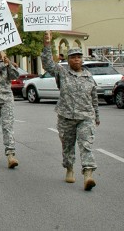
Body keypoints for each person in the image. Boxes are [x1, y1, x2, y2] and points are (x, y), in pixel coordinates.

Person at [42, 31, 99, 191]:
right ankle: (69, 168)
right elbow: (47, 64)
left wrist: (97, 116)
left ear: (82, 59)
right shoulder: (62, 72)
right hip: (66, 116)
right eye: (73, 57)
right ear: (68, 60)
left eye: (79, 57)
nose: (76, 60)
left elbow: (94, 97)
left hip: (85, 117)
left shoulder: (89, 76)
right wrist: (47, 44)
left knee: (86, 145)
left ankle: (88, 174)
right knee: (67, 147)